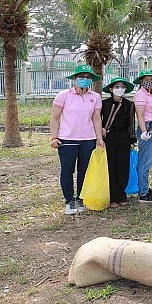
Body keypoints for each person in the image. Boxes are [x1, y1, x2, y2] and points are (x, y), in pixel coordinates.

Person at [49, 64, 105, 215]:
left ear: (91, 80)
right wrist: (54, 137)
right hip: (67, 140)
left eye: (87, 77)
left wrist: (99, 138)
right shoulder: (63, 95)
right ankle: (69, 200)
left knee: (84, 171)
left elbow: (96, 119)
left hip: (88, 139)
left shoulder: (95, 97)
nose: (84, 80)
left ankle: (80, 198)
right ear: (75, 78)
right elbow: (54, 118)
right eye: (81, 77)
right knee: (67, 171)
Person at [101, 77, 136, 208]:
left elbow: (131, 124)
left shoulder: (129, 104)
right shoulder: (105, 104)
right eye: (117, 86)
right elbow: (99, 120)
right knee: (111, 166)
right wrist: (101, 132)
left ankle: (121, 194)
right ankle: (112, 196)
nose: (120, 89)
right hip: (109, 137)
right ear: (111, 89)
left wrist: (132, 140)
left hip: (124, 137)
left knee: (122, 166)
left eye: (122, 87)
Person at [132, 68, 152, 203]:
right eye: (146, 80)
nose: (149, 82)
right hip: (147, 127)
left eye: (151, 80)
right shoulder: (141, 95)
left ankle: (144, 186)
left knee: (148, 160)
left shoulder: (151, 94)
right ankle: (143, 193)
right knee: (145, 160)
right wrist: (144, 131)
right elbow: (140, 115)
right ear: (141, 82)